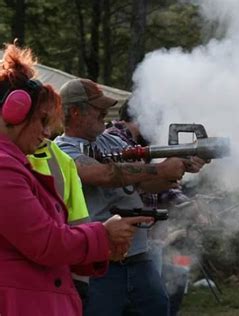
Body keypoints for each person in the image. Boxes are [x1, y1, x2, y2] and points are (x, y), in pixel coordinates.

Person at [0, 44, 150, 315]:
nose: (46, 132)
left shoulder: (16, 163)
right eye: (42, 120)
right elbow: (45, 242)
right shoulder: (3, 168)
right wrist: (103, 236)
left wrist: (101, 249)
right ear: (14, 113)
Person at [55, 78, 207, 315]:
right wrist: (160, 169)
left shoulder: (112, 140)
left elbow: (145, 182)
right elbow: (102, 174)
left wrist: (180, 167)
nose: (105, 113)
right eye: (98, 109)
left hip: (139, 256)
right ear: (75, 112)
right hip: (99, 263)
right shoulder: (62, 149)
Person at [28, 138, 92, 305]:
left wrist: (80, 281)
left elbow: (79, 220)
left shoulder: (59, 157)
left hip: (52, 283)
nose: (46, 130)